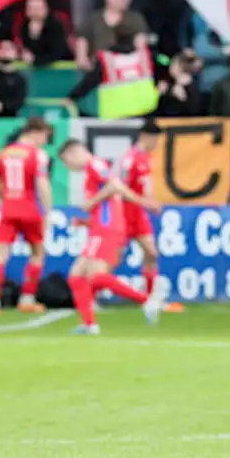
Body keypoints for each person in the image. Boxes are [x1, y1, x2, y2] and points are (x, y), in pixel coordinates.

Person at [56, 141, 165, 335]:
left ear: (73, 154)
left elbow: (115, 185)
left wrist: (91, 203)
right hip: (101, 227)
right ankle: (90, 324)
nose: (68, 167)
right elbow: (108, 202)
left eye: (66, 162)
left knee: (95, 276)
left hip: (107, 229)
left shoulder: (95, 165)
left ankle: (146, 301)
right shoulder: (93, 170)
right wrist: (86, 221)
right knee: (76, 276)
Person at [0, 118, 54, 315]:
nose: (44, 141)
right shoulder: (38, 155)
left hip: (7, 208)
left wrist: (6, 198)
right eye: (45, 137)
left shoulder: (4, 153)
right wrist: (48, 210)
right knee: (38, 253)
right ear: (36, 132)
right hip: (30, 209)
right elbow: (42, 184)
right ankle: (27, 298)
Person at [118, 119, 163, 298]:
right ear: (145, 136)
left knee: (152, 253)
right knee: (111, 259)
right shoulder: (129, 159)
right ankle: (92, 294)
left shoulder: (146, 157)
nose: (157, 143)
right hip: (123, 213)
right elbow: (120, 188)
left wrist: (150, 201)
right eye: (156, 139)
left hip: (138, 214)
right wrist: (145, 202)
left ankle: (150, 297)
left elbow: (144, 186)